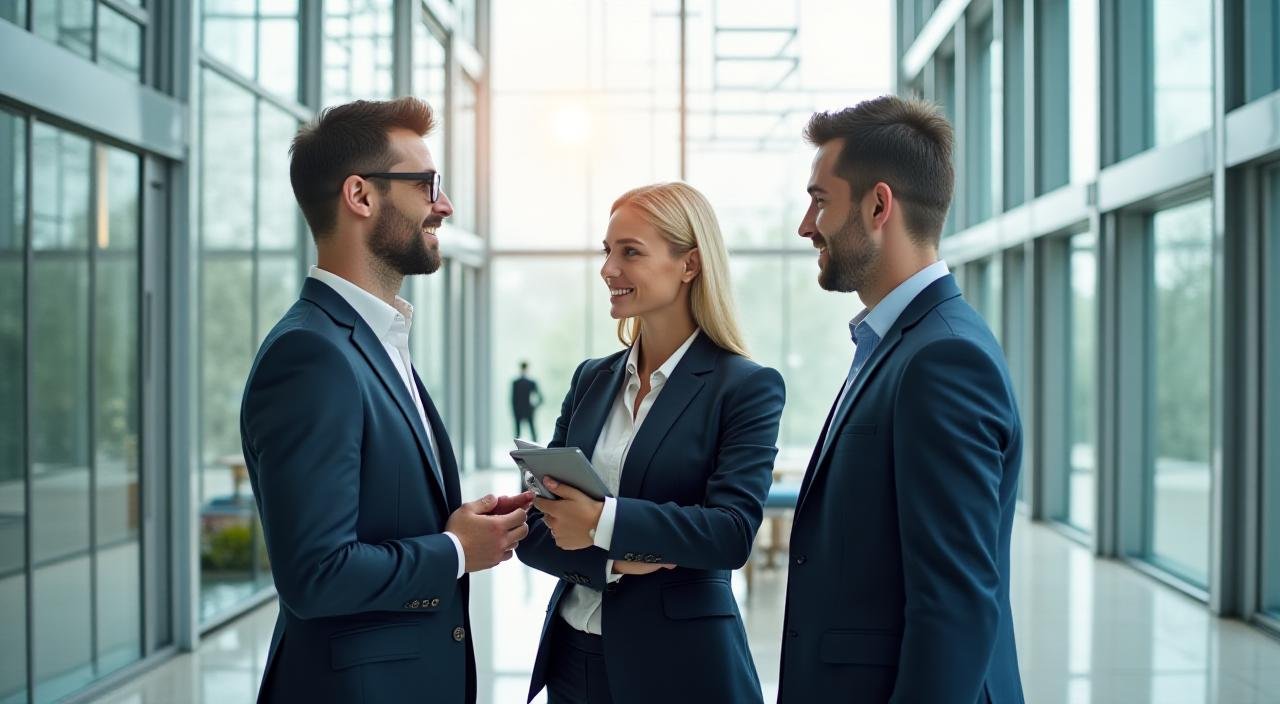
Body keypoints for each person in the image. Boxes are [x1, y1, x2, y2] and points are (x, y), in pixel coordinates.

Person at [239, 97, 533, 704]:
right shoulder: (312, 356)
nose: (444, 205)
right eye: (427, 184)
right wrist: (455, 550)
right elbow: (316, 576)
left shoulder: (373, 339)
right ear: (361, 196)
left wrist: (460, 526)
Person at [777, 96, 1025, 703]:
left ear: (878, 205)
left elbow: (956, 606)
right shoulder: (901, 342)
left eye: (819, 201)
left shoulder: (943, 360)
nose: (806, 226)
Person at [516, 182, 784, 704]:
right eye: (607, 251)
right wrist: (613, 559)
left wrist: (599, 523)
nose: (608, 269)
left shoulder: (745, 386)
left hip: (682, 668)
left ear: (689, 265)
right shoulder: (591, 380)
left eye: (630, 252)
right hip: (574, 662)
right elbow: (536, 522)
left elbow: (730, 533)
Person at [512, 360, 544, 441]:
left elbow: (513, 400)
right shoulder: (530, 382)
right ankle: (536, 451)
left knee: (519, 434)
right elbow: (541, 399)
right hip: (528, 410)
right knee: (531, 434)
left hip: (520, 411)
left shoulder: (516, 383)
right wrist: (533, 407)